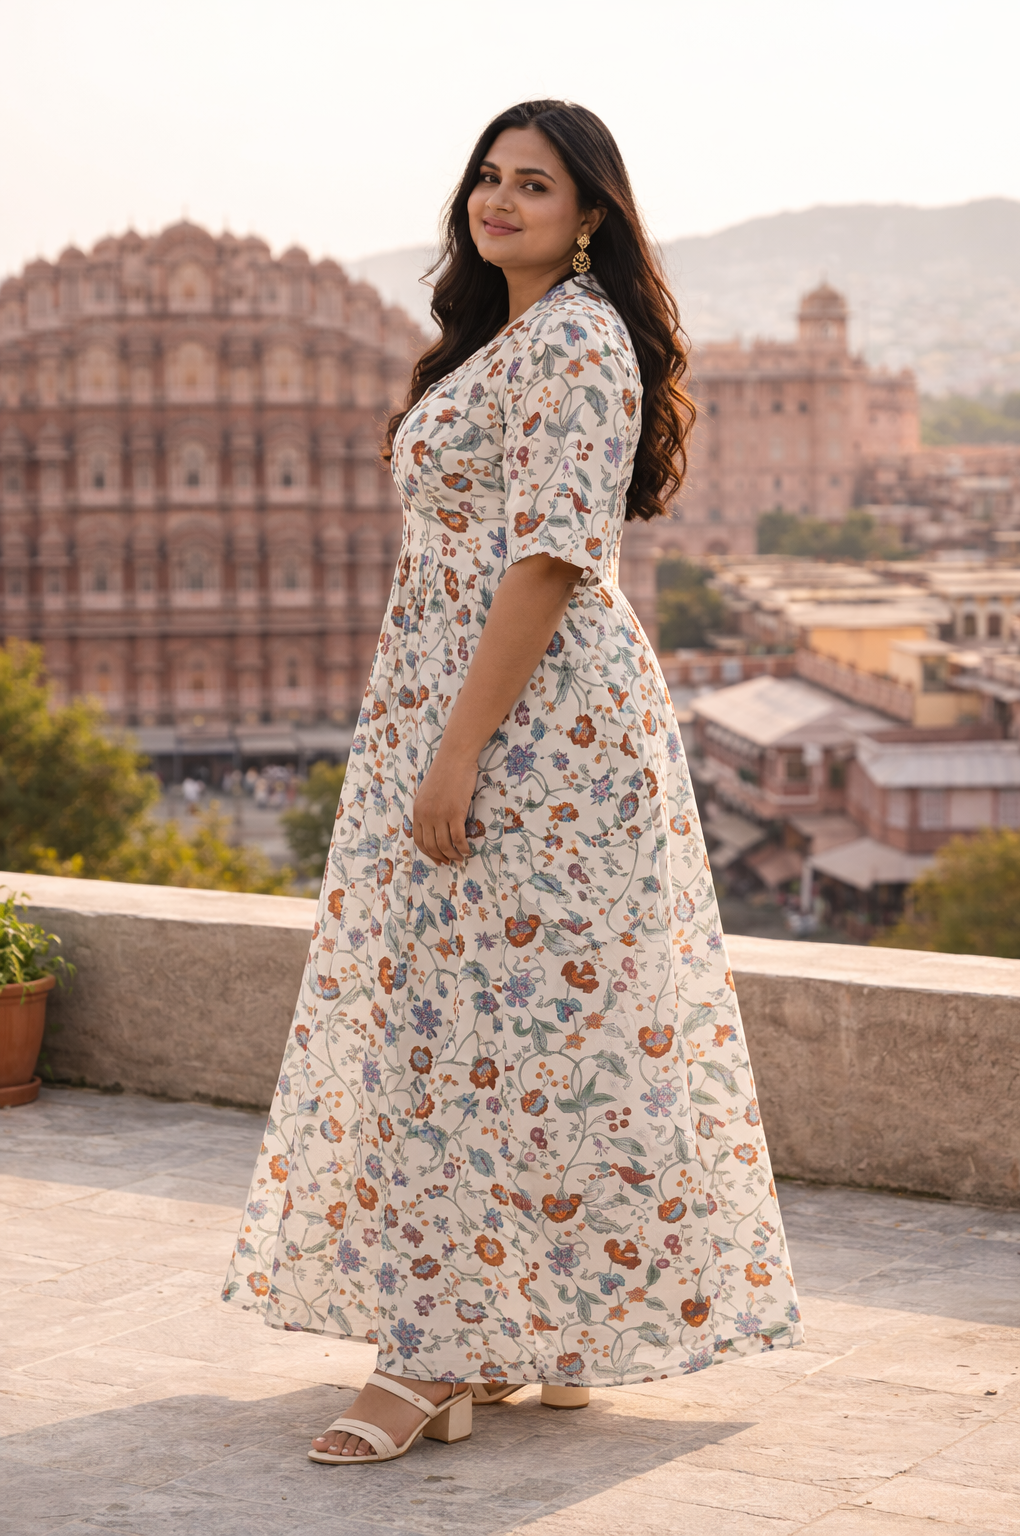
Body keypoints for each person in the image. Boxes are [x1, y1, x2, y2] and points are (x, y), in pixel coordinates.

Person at [223, 98, 804, 1467]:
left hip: (529, 735)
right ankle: (507, 1330)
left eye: (533, 183)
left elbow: (550, 559)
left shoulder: (581, 344)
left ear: (592, 211)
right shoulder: (508, 340)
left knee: (460, 1035)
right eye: (489, 176)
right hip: (464, 710)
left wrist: (461, 747)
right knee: (495, 1036)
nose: (499, 199)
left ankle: (430, 1355)